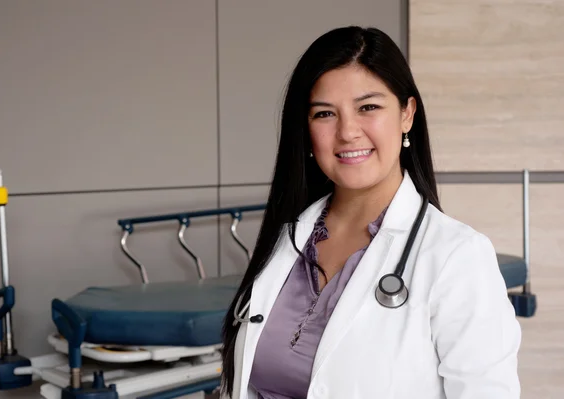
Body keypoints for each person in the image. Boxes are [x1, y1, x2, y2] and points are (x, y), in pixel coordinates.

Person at [220, 26, 521, 399]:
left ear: (407, 114)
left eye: (368, 107)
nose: (347, 132)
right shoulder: (286, 241)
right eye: (325, 113)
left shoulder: (456, 256)